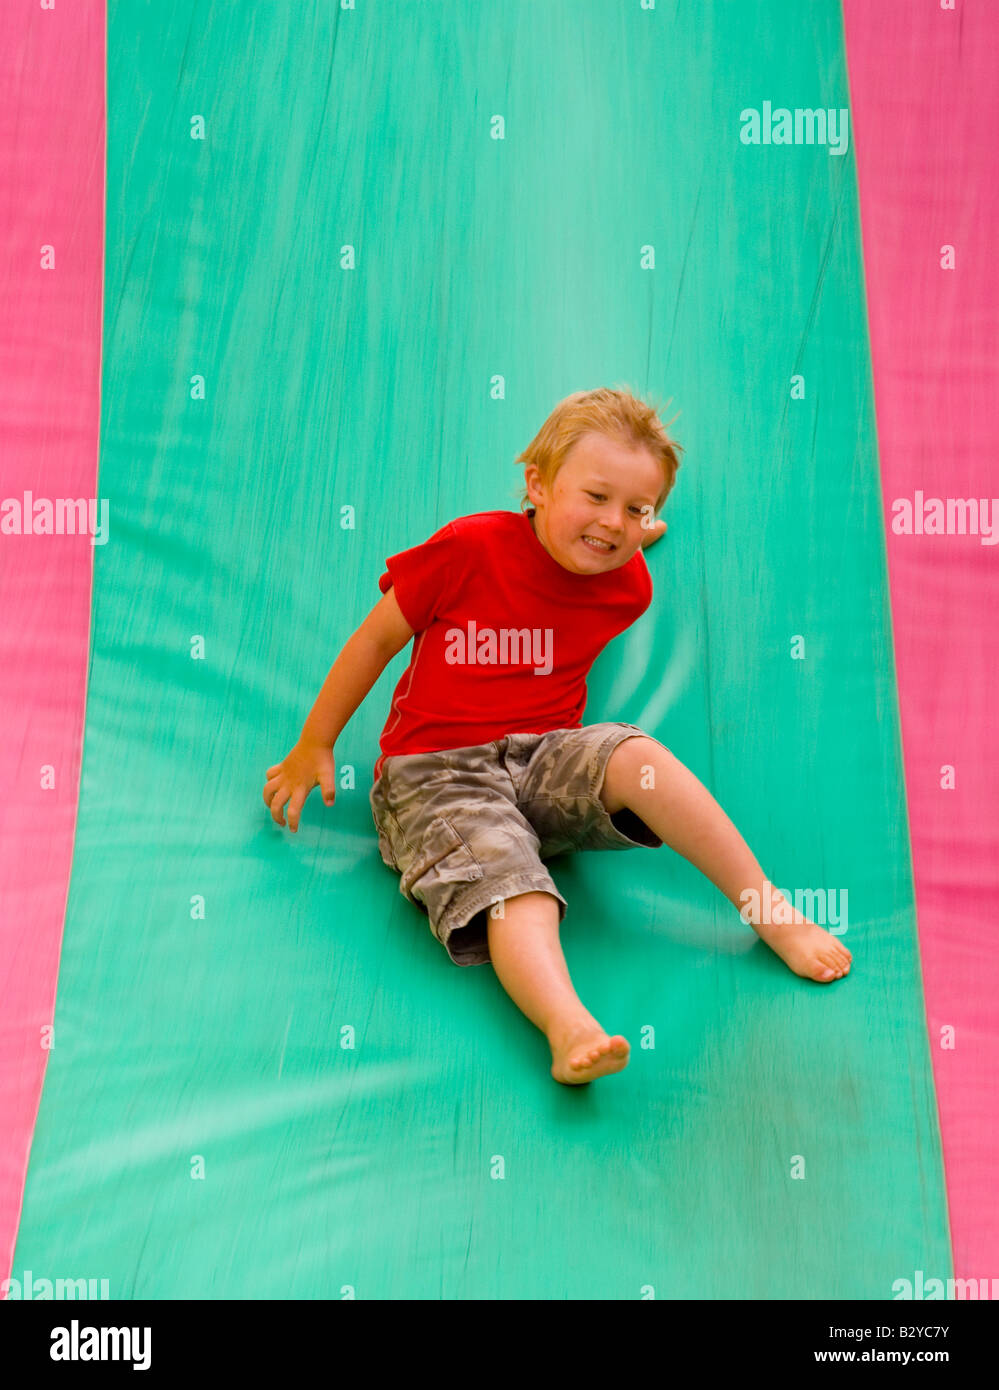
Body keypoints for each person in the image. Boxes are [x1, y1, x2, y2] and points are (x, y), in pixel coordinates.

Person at [263, 387, 851, 1085]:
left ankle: (767, 910)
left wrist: (617, 529)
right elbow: (375, 639)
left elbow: (605, 538)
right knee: (518, 883)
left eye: (637, 510)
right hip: (436, 776)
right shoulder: (467, 550)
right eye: (595, 498)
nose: (613, 524)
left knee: (639, 755)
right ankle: (567, 1025)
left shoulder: (627, 584)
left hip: (541, 761)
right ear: (536, 487)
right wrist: (314, 743)